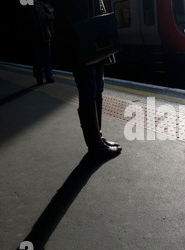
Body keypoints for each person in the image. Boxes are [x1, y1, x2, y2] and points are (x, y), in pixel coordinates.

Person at [51, 0, 121, 158]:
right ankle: (95, 144)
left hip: (93, 39)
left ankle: (98, 137)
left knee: (97, 87)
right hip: (80, 42)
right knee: (88, 89)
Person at [26, 0, 55, 85]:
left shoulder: (41, 5)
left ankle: (47, 77)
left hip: (43, 36)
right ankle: (41, 78)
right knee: (38, 60)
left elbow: (51, 16)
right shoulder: (29, 8)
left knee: (45, 58)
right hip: (36, 37)